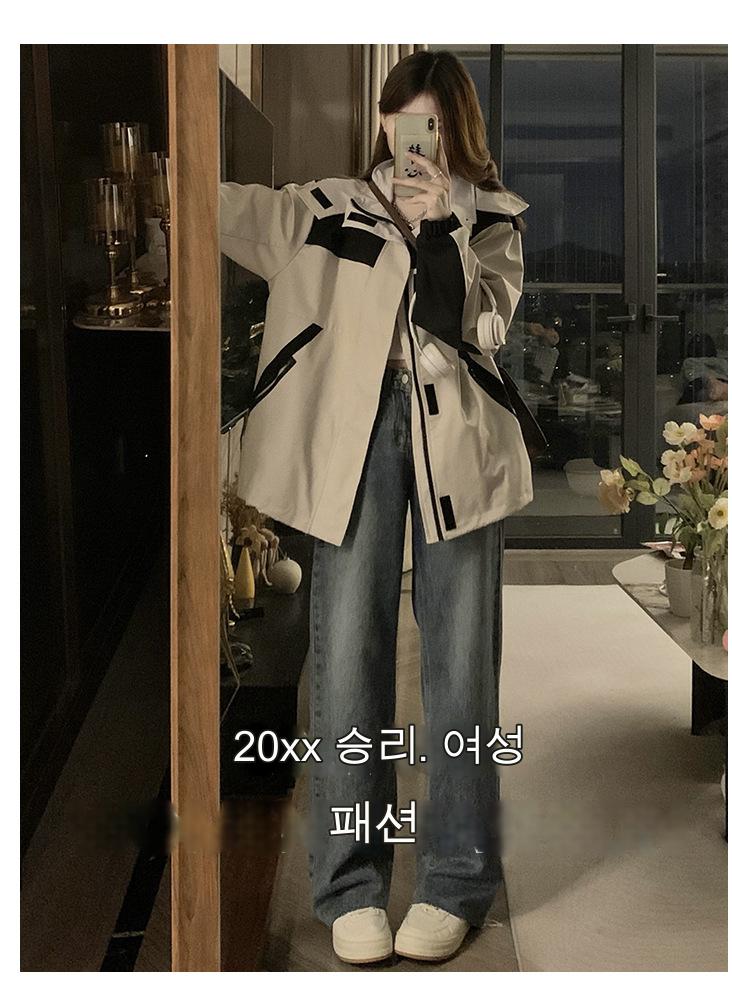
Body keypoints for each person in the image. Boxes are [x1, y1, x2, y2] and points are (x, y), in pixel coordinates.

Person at [220, 49, 533, 966]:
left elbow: (478, 327)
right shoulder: (324, 208)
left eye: (430, 123)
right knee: (348, 651)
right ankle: (350, 882)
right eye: (401, 122)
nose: (412, 140)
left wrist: (442, 226)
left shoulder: (491, 219)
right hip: (351, 436)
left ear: (456, 130)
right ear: (384, 124)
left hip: (460, 444)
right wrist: (169, 172)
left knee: (462, 666)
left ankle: (457, 877)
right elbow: (222, 208)